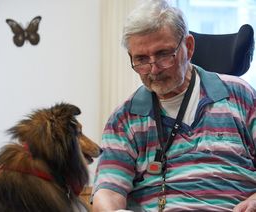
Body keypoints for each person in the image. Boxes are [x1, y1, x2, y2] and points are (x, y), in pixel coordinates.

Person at [92, 0, 256, 211]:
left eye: (163, 54)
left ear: (188, 46)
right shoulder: (124, 119)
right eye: (141, 59)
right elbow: (108, 192)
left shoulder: (239, 95)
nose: (153, 69)